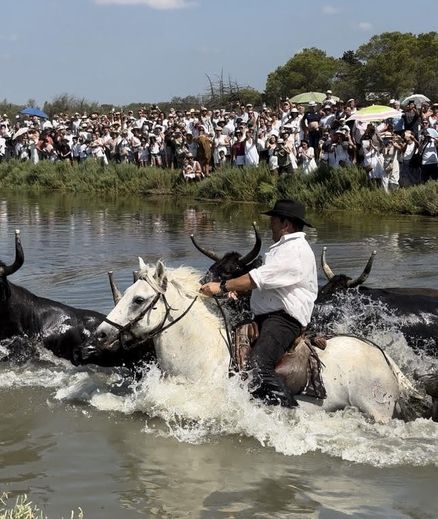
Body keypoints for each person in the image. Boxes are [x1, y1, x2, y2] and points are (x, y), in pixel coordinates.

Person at [200, 199, 318, 407]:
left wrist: (224, 286)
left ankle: (290, 413)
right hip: (267, 318)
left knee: (258, 366)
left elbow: (260, 278)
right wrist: (239, 291)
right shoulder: (283, 248)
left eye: (273, 219)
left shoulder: (296, 249)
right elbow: (270, 284)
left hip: (284, 321)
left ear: (286, 224)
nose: (270, 224)